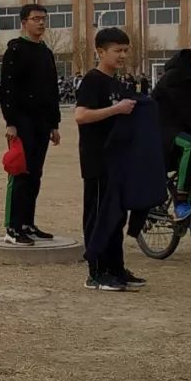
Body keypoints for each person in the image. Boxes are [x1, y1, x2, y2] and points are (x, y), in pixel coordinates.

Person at [74, 28, 141, 291]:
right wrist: (116, 109)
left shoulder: (118, 83)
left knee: (116, 216)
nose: (123, 55)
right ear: (100, 52)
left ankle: (115, 268)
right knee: (99, 215)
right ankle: (96, 272)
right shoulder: (93, 80)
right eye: (117, 50)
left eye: (126, 50)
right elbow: (81, 116)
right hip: (97, 161)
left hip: (117, 161)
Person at [0, 4, 61, 246]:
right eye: (36, 19)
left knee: (36, 174)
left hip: (42, 122)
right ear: (24, 22)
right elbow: (7, 88)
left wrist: (54, 123)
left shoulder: (46, 52)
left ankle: (27, 223)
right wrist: (11, 122)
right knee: (21, 173)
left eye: (44, 19)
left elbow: (52, 90)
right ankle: (12, 228)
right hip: (22, 120)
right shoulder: (15, 50)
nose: (41, 23)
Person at [152, 37, 191, 221]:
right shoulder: (176, 76)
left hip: (183, 126)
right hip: (162, 126)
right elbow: (190, 113)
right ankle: (181, 203)